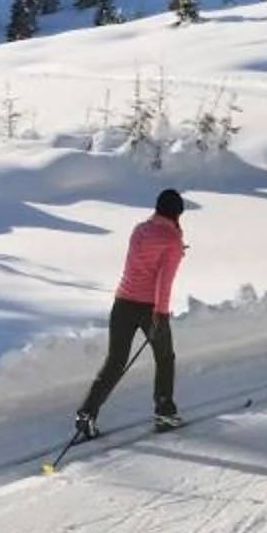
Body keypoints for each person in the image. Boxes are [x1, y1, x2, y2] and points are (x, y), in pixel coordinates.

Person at [75, 188, 188, 440]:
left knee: (115, 363)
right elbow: (163, 281)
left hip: (122, 302)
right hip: (150, 308)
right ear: (177, 214)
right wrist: (161, 314)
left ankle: (87, 413)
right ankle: (165, 412)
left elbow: (142, 263)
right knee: (165, 358)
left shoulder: (139, 230)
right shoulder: (172, 241)